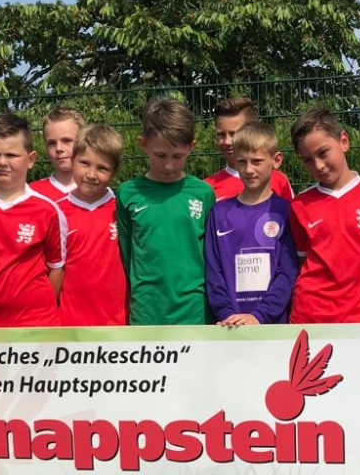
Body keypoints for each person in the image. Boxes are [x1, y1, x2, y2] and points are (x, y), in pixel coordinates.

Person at [288, 108, 360, 324]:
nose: (318, 165)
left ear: (344, 141)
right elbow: (302, 264)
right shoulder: (299, 205)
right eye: (307, 160)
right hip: (309, 318)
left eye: (323, 153)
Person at [0, 113, 66, 328]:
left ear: (31, 159)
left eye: (11, 155)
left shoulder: (48, 210)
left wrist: (36, 309)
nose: (2, 162)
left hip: (37, 324)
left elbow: (56, 269)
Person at [116, 98, 215, 326]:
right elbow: (127, 255)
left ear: (190, 147)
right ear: (143, 144)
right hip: (146, 313)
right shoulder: (128, 193)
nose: (169, 165)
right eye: (160, 155)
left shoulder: (203, 193)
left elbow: (211, 255)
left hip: (194, 313)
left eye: (177, 156)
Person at [204, 122, 297, 325]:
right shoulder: (219, 213)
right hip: (229, 325)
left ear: (276, 160)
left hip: (273, 325)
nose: (248, 169)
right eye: (241, 162)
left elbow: (287, 272)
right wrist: (226, 314)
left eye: (257, 161)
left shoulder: (287, 211)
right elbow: (213, 273)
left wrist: (260, 315)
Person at [56, 124, 127, 326]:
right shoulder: (55, 212)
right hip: (70, 324)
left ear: (114, 172)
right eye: (85, 163)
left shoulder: (122, 210)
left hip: (118, 324)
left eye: (102, 168)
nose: (91, 174)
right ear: (72, 161)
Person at [205, 97, 294, 201]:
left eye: (234, 134)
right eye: (221, 135)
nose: (227, 142)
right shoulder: (207, 189)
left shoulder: (278, 180)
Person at [29, 107, 86, 202]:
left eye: (67, 141)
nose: (59, 148)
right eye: (51, 143)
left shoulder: (100, 193)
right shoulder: (31, 193)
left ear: (83, 142)